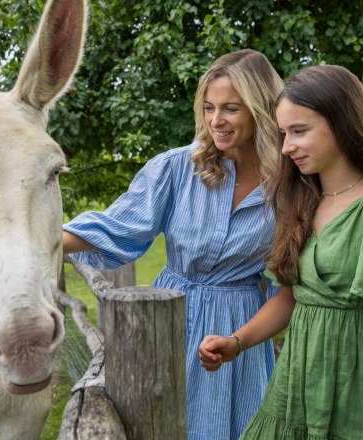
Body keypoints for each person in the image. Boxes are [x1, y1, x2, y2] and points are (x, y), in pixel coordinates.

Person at [198, 64, 363, 440]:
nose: (286, 146)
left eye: (299, 131)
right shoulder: (298, 200)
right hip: (292, 390)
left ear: (342, 124)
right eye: (282, 133)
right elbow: (290, 298)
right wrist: (237, 342)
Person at [62, 49, 284, 439]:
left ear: (260, 109)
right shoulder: (178, 168)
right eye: (209, 107)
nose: (216, 120)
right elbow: (117, 227)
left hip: (240, 324)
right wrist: (39, 241)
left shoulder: (287, 186)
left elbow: (291, 281)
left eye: (231, 108)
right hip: (169, 316)